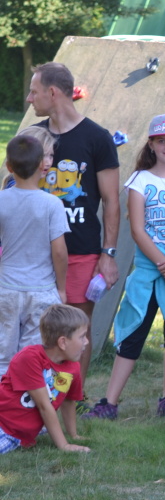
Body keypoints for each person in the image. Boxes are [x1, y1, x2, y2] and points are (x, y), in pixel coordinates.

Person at [84, 115, 165, 421]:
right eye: (162, 141)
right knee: (134, 333)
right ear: (151, 144)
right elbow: (138, 230)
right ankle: (109, 402)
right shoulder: (140, 181)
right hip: (150, 272)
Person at [27, 62, 120, 397]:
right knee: (35, 329)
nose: (29, 99)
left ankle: (70, 399)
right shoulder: (33, 138)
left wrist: (108, 254)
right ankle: (34, 396)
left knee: (78, 331)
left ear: (52, 93)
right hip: (36, 254)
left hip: (82, 252)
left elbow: (111, 201)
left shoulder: (97, 138)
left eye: (34, 92)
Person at [0, 134, 69, 376]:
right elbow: (59, 251)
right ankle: (27, 398)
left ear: (9, 167)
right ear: (42, 165)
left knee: (3, 355)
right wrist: (62, 288)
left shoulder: (1, 200)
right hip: (41, 290)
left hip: (6, 288)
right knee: (33, 355)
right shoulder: (52, 204)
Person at [0, 304, 91, 453]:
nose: (86, 341)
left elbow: (68, 401)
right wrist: (64, 445)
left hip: (20, 432)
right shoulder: (30, 358)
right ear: (63, 342)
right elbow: (44, 405)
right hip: (4, 426)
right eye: (82, 336)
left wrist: (73, 435)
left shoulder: (73, 367)